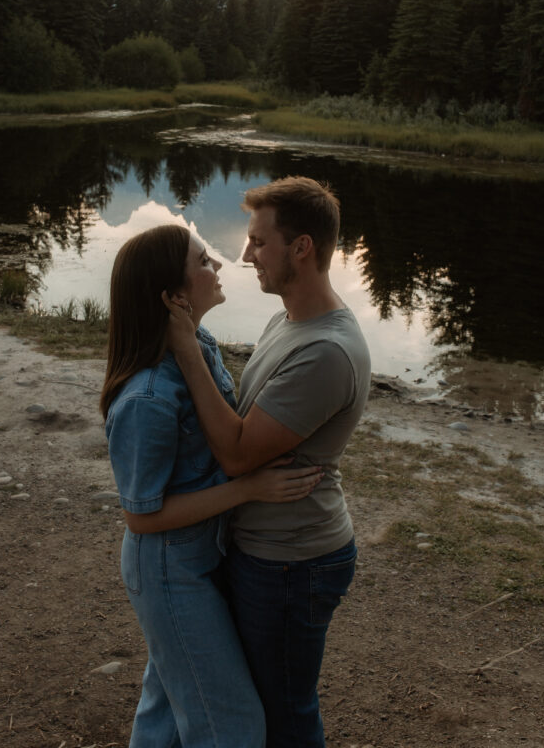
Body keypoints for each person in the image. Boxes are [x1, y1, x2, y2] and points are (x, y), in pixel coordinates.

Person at [163, 176, 371, 748]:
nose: (245, 255)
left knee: (283, 713)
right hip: (267, 551)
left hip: (291, 562)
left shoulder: (326, 351)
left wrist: (185, 347)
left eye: (258, 242)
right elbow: (240, 420)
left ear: (301, 248)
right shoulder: (287, 321)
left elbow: (233, 453)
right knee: (255, 700)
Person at [100, 223, 323, 748]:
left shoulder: (195, 346)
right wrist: (251, 489)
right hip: (169, 569)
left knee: (167, 713)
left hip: (202, 557)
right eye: (203, 262)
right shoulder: (147, 398)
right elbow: (140, 515)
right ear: (174, 298)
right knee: (232, 726)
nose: (220, 265)